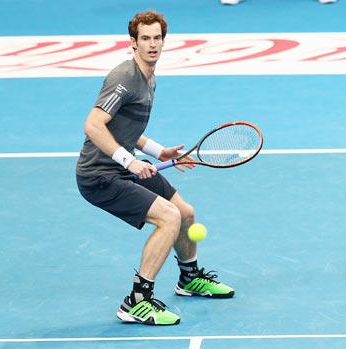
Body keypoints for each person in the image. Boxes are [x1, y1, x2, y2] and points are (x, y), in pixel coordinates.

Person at [76, 10, 234, 326]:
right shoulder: (125, 78)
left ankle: (189, 279)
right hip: (99, 176)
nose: (152, 44)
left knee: (185, 213)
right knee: (168, 217)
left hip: (122, 167)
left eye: (157, 38)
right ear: (133, 43)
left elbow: (126, 130)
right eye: (145, 39)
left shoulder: (150, 77)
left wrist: (158, 151)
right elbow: (93, 125)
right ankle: (137, 300)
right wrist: (130, 161)